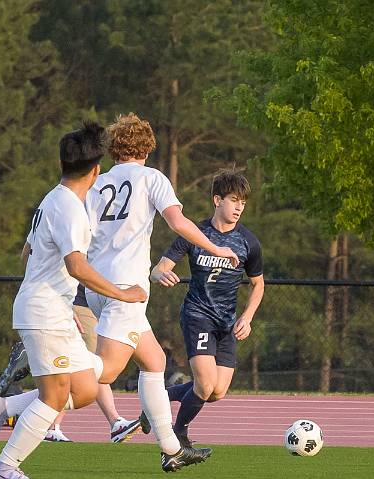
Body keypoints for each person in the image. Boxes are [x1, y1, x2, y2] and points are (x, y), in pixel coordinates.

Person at [0, 122, 147, 479]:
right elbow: (77, 266)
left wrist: (59, 298)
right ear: (97, 171)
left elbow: (27, 253)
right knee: (53, 398)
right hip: (45, 313)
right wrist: (122, 293)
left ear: (62, 164)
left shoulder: (52, 199)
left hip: (51, 309)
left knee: (85, 389)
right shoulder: (71, 207)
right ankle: (4, 468)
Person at [83, 113, 239, 472]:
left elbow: (82, 234)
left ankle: (171, 448)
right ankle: (25, 385)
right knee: (103, 373)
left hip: (96, 285)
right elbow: (178, 222)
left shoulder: (98, 182)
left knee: (154, 361)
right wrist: (216, 249)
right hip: (125, 287)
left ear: (113, 148)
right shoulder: (151, 178)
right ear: (148, 146)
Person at [147, 170, 264, 446]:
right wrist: (160, 274)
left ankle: (159, 398)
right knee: (205, 385)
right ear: (216, 200)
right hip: (197, 316)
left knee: (217, 392)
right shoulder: (194, 234)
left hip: (227, 324)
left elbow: (258, 285)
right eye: (234, 200)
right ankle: (177, 434)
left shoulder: (249, 242)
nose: (239, 207)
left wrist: (247, 318)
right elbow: (158, 268)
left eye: (243, 203)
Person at [0, 283, 141, 444]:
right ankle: (52, 426)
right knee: (87, 369)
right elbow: (77, 268)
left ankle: (112, 423)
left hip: (96, 302)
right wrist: (122, 293)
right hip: (81, 302)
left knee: (85, 375)